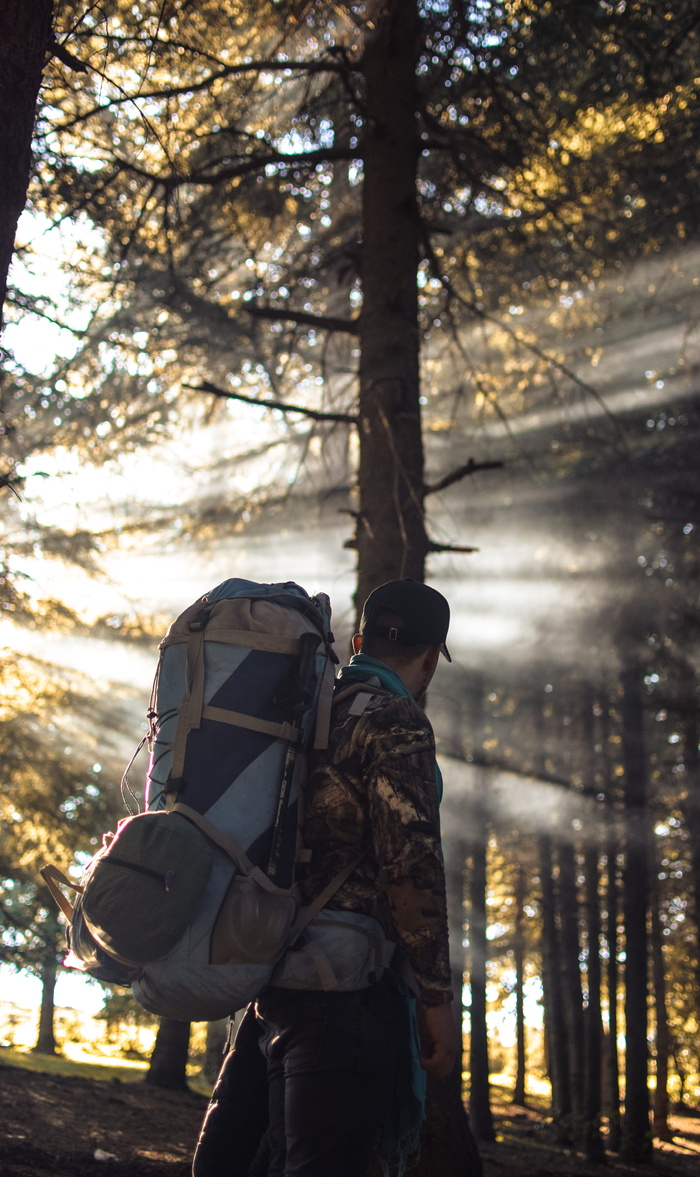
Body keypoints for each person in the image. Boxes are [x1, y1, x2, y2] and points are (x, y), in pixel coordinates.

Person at [193, 577, 457, 1177]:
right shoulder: (397, 721)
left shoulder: (298, 712)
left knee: (226, 1165)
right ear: (428, 659)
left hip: (269, 975)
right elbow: (412, 866)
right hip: (347, 995)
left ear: (359, 640)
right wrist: (436, 999)